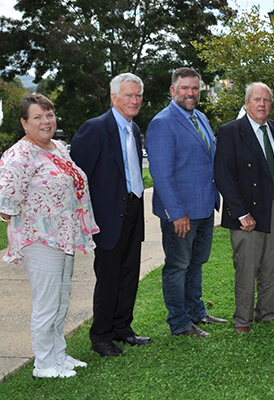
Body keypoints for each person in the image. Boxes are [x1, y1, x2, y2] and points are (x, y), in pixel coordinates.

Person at [0, 94, 98, 378]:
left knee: (61, 300)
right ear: (24, 122)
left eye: (49, 115)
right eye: (37, 117)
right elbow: (5, 203)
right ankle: (43, 364)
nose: (46, 122)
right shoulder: (19, 155)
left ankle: (58, 354)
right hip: (40, 240)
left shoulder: (57, 147)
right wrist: (32, 220)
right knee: (46, 303)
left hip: (64, 238)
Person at [72, 73, 152, 357]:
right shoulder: (94, 129)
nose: (134, 100)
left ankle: (122, 328)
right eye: (128, 95)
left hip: (133, 209)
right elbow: (78, 179)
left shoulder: (133, 128)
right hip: (107, 217)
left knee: (129, 273)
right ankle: (101, 336)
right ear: (113, 97)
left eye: (138, 95)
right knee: (108, 278)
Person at [146, 67, 227, 339]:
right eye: (185, 88)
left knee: (196, 263)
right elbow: (162, 173)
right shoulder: (162, 122)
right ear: (173, 90)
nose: (191, 93)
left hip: (204, 207)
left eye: (195, 88)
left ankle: (196, 312)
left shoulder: (200, 117)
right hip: (181, 212)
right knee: (178, 266)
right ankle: (180, 323)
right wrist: (176, 212)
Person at [215, 82, 274, 333]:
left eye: (266, 100)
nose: (262, 104)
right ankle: (243, 321)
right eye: (257, 100)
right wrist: (240, 213)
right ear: (247, 103)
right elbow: (223, 176)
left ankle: (267, 314)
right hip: (245, 212)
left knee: (269, 265)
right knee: (247, 267)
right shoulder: (230, 131)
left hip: (272, 208)